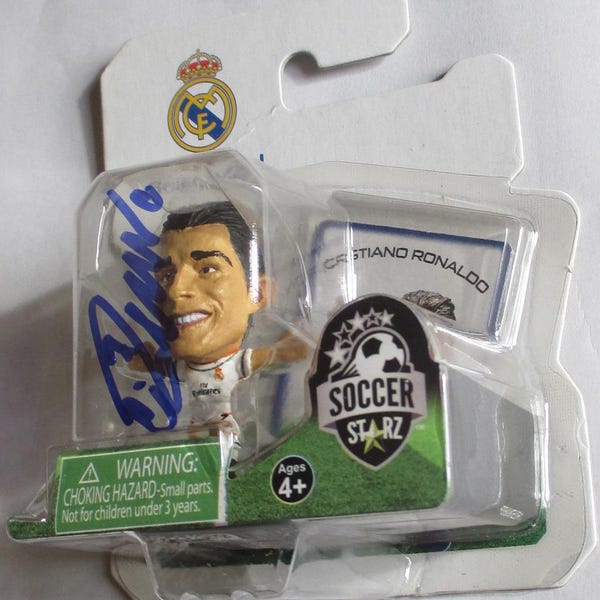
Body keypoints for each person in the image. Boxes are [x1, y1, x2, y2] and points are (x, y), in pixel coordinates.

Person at [134, 200, 308, 437]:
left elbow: (269, 357)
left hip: (230, 431)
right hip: (195, 430)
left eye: (207, 269)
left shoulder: (236, 363)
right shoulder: (183, 368)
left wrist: (290, 347)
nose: (175, 291)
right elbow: (164, 370)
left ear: (257, 293)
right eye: (167, 276)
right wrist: (146, 363)